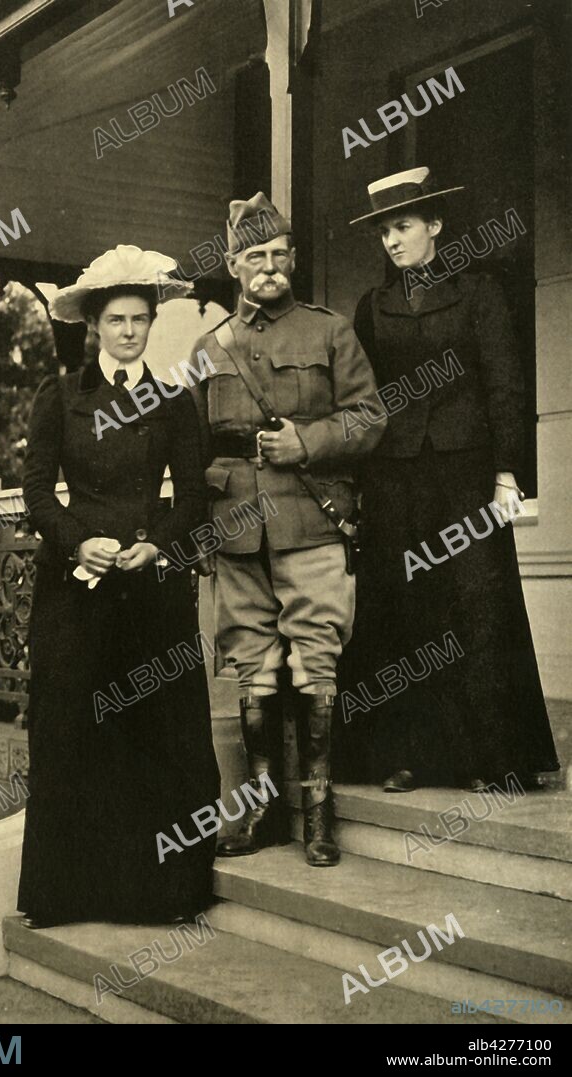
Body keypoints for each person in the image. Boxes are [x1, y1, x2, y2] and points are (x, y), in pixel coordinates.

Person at [17, 245, 220, 927]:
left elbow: (194, 496)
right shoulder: (60, 396)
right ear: (94, 326)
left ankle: (158, 895)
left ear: (151, 322)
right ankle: (66, 894)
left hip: (149, 590)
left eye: (140, 319)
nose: (130, 330)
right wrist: (81, 541)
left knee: (156, 735)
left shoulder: (173, 401)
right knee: (74, 729)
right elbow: (37, 494)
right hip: (76, 590)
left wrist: (154, 545)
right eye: (117, 320)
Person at [342, 166, 559, 792]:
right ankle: (410, 758)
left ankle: (495, 760)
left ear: (435, 226)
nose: (392, 240)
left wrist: (508, 473)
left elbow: (506, 386)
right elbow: (363, 400)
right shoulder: (372, 306)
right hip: (395, 481)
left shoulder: (479, 292)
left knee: (478, 608)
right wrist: (357, 486)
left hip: (467, 476)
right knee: (405, 614)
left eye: (403, 226)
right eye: (384, 230)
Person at [191, 193, 385, 867]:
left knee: (314, 663)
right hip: (236, 527)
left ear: (294, 260)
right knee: (254, 666)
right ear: (233, 265)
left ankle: (319, 809)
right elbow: (190, 447)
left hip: (311, 520)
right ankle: (269, 805)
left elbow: (369, 418)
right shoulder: (210, 346)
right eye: (255, 257)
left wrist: (305, 442)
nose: (268, 267)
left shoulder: (328, 330)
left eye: (279, 255)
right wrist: (198, 532)